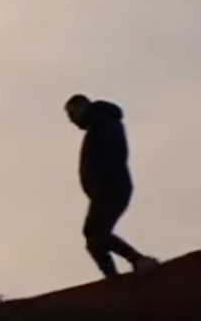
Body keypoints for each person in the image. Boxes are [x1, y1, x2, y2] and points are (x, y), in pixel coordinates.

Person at [65, 94, 158, 278]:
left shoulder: (104, 124)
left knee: (96, 233)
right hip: (106, 189)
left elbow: (109, 155)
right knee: (93, 234)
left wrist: (99, 182)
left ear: (82, 108)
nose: (72, 120)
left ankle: (138, 261)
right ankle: (113, 274)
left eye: (72, 114)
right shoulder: (99, 126)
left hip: (111, 188)